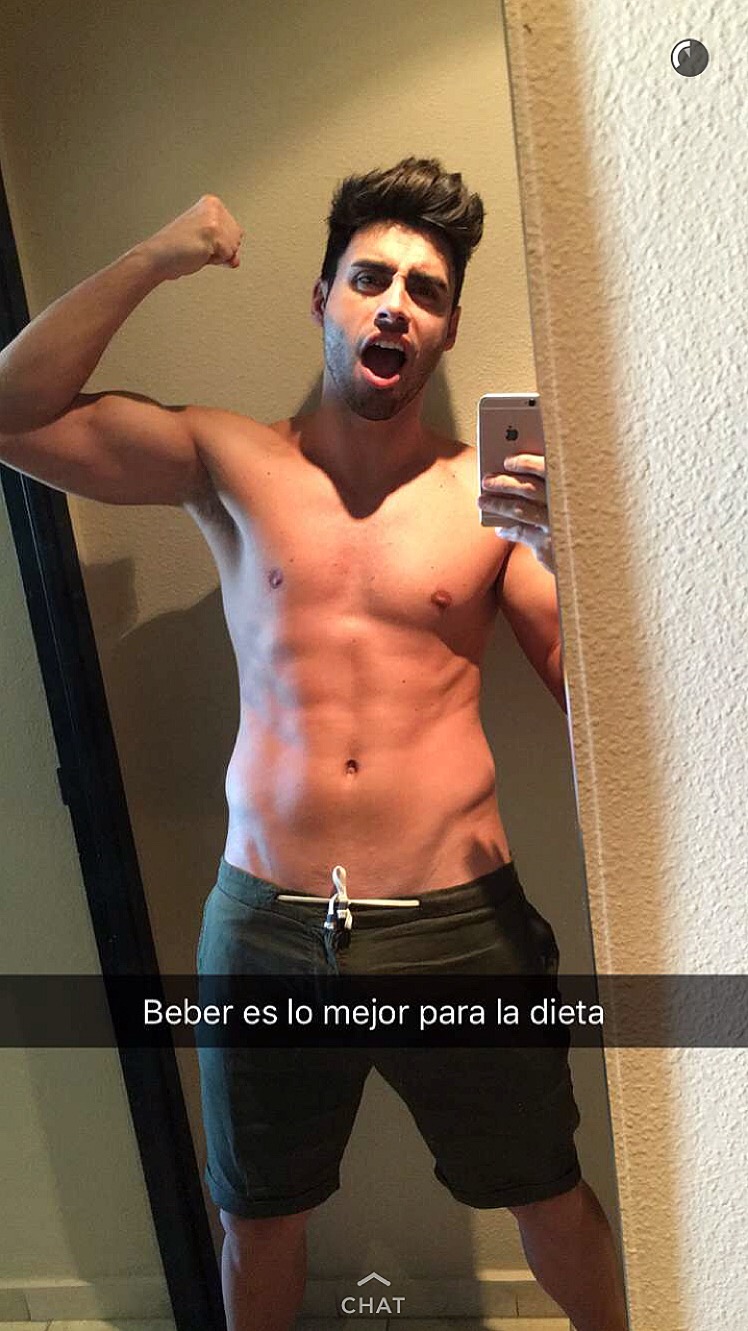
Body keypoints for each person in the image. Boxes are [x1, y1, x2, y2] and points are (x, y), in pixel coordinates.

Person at [0, 158, 628, 1331]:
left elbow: (599, 717)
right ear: (322, 299)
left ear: (447, 331)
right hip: (268, 923)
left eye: (425, 291)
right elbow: (15, 414)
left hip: (460, 923)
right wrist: (156, 258)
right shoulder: (231, 459)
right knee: (257, 1215)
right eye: (369, 278)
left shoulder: (491, 489)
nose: (395, 305)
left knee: (546, 1187)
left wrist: (574, 554)